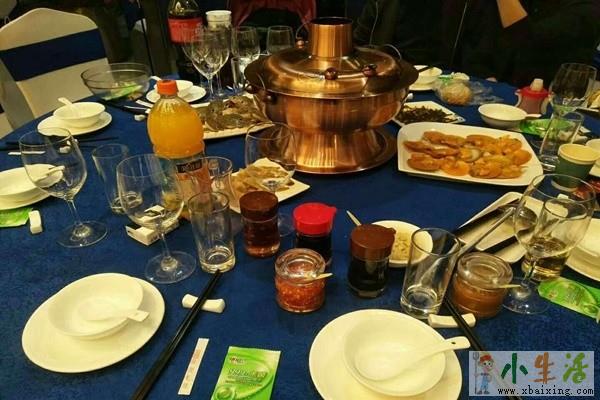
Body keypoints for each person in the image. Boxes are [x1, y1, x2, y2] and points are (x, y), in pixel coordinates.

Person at [354, 0, 600, 87]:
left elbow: (525, 41)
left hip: (533, 95)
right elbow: (360, 43)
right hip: (384, 84)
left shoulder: (584, 10)